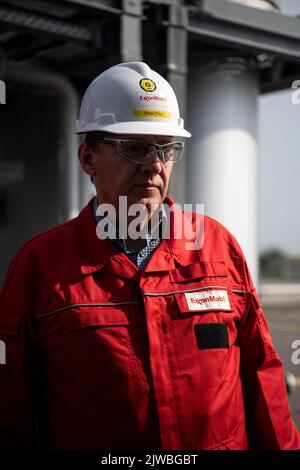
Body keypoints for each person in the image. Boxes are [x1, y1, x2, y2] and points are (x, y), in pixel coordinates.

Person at [0, 61, 299, 450]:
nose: (154, 165)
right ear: (88, 159)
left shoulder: (218, 247)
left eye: (166, 149)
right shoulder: (40, 266)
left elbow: (262, 375)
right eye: (135, 148)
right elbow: (10, 412)